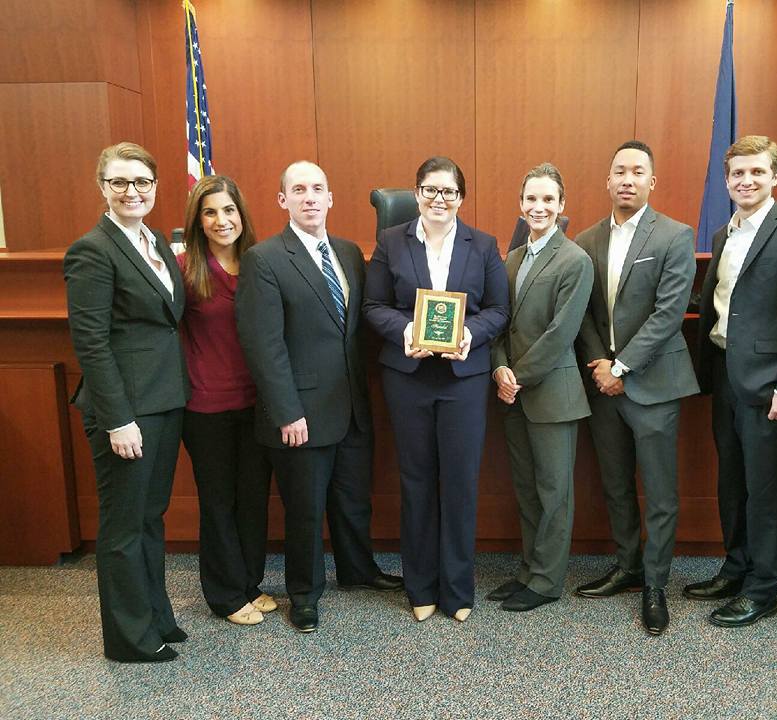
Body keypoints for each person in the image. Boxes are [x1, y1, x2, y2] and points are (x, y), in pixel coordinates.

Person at [235, 161, 401, 634]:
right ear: (282, 200)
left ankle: (358, 570)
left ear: (330, 198)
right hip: (299, 413)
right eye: (299, 190)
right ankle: (304, 595)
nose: (310, 197)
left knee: (352, 500)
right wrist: (287, 410)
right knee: (305, 511)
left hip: (350, 405)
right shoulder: (264, 259)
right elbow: (263, 346)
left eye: (318, 189)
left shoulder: (349, 253)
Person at [686, 135, 777, 628]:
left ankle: (763, 589)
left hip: (769, 385)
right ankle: (736, 568)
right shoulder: (724, 234)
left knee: (764, 489)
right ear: (726, 181)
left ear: (775, 177)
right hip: (724, 372)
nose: (746, 181)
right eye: (737, 174)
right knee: (731, 482)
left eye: (756, 173)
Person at [363, 156, 509, 623]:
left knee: (462, 484)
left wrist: (470, 333)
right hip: (408, 379)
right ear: (416, 192)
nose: (438, 199)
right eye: (430, 189)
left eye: (448, 191)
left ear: (461, 198)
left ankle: (458, 589)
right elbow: (373, 305)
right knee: (417, 481)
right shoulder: (391, 241)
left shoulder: (483, 245)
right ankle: (420, 586)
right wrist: (406, 332)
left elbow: (498, 310)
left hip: (462, 381)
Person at [64, 142, 189, 662]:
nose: (132, 191)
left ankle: (156, 615)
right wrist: (118, 420)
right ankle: (129, 638)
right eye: (120, 182)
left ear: (155, 188)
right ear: (103, 188)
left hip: (163, 400)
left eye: (141, 182)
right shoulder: (92, 249)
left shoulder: (152, 238)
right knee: (122, 526)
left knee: (150, 516)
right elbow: (90, 341)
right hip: (126, 413)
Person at [574, 141, 699, 635]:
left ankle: (654, 583)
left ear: (652, 182)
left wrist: (621, 368)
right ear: (608, 182)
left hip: (653, 384)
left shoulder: (674, 235)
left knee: (660, 490)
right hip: (603, 385)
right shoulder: (584, 241)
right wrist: (599, 366)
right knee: (615, 482)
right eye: (619, 171)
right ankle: (627, 566)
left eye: (638, 171)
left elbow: (669, 315)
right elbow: (581, 313)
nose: (628, 179)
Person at [488, 163, 593, 612]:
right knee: (527, 489)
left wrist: (518, 377)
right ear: (521, 204)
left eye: (548, 199)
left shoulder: (575, 260)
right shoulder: (510, 259)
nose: (539, 207)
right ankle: (529, 569)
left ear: (561, 206)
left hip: (551, 394)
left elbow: (561, 333)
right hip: (512, 392)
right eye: (532, 199)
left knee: (554, 492)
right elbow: (498, 323)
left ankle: (548, 581)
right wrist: (498, 370)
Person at [177, 175, 275, 626]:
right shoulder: (184, 268)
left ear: (242, 214)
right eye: (210, 212)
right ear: (198, 221)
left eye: (229, 210)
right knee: (219, 501)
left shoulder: (260, 263)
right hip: (206, 406)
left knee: (253, 497)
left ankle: (249, 583)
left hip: (257, 403)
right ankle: (224, 594)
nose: (222, 220)